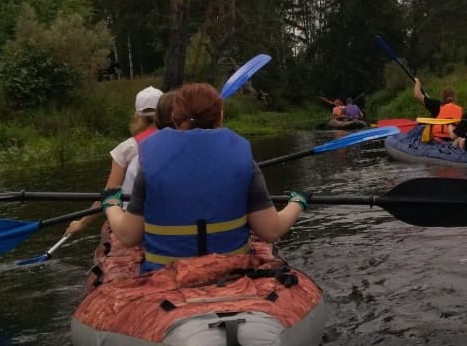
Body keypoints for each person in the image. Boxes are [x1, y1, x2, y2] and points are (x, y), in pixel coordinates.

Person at [102, 82, 309, 272]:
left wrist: (111, 204)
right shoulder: (242, 157)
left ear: (174, 117)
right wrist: (298, 201)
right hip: (232, 271)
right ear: (220, 117)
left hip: (164, 274)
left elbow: (129, 236)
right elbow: (271, 231)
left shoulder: (151, 160)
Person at [66, 85, 163, 236]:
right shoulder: (178, 143)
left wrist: (82, 223)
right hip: (164, 217)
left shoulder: (126, 149)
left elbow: (110, 195)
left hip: (131, 220)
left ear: (137, 116)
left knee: (108, 227)